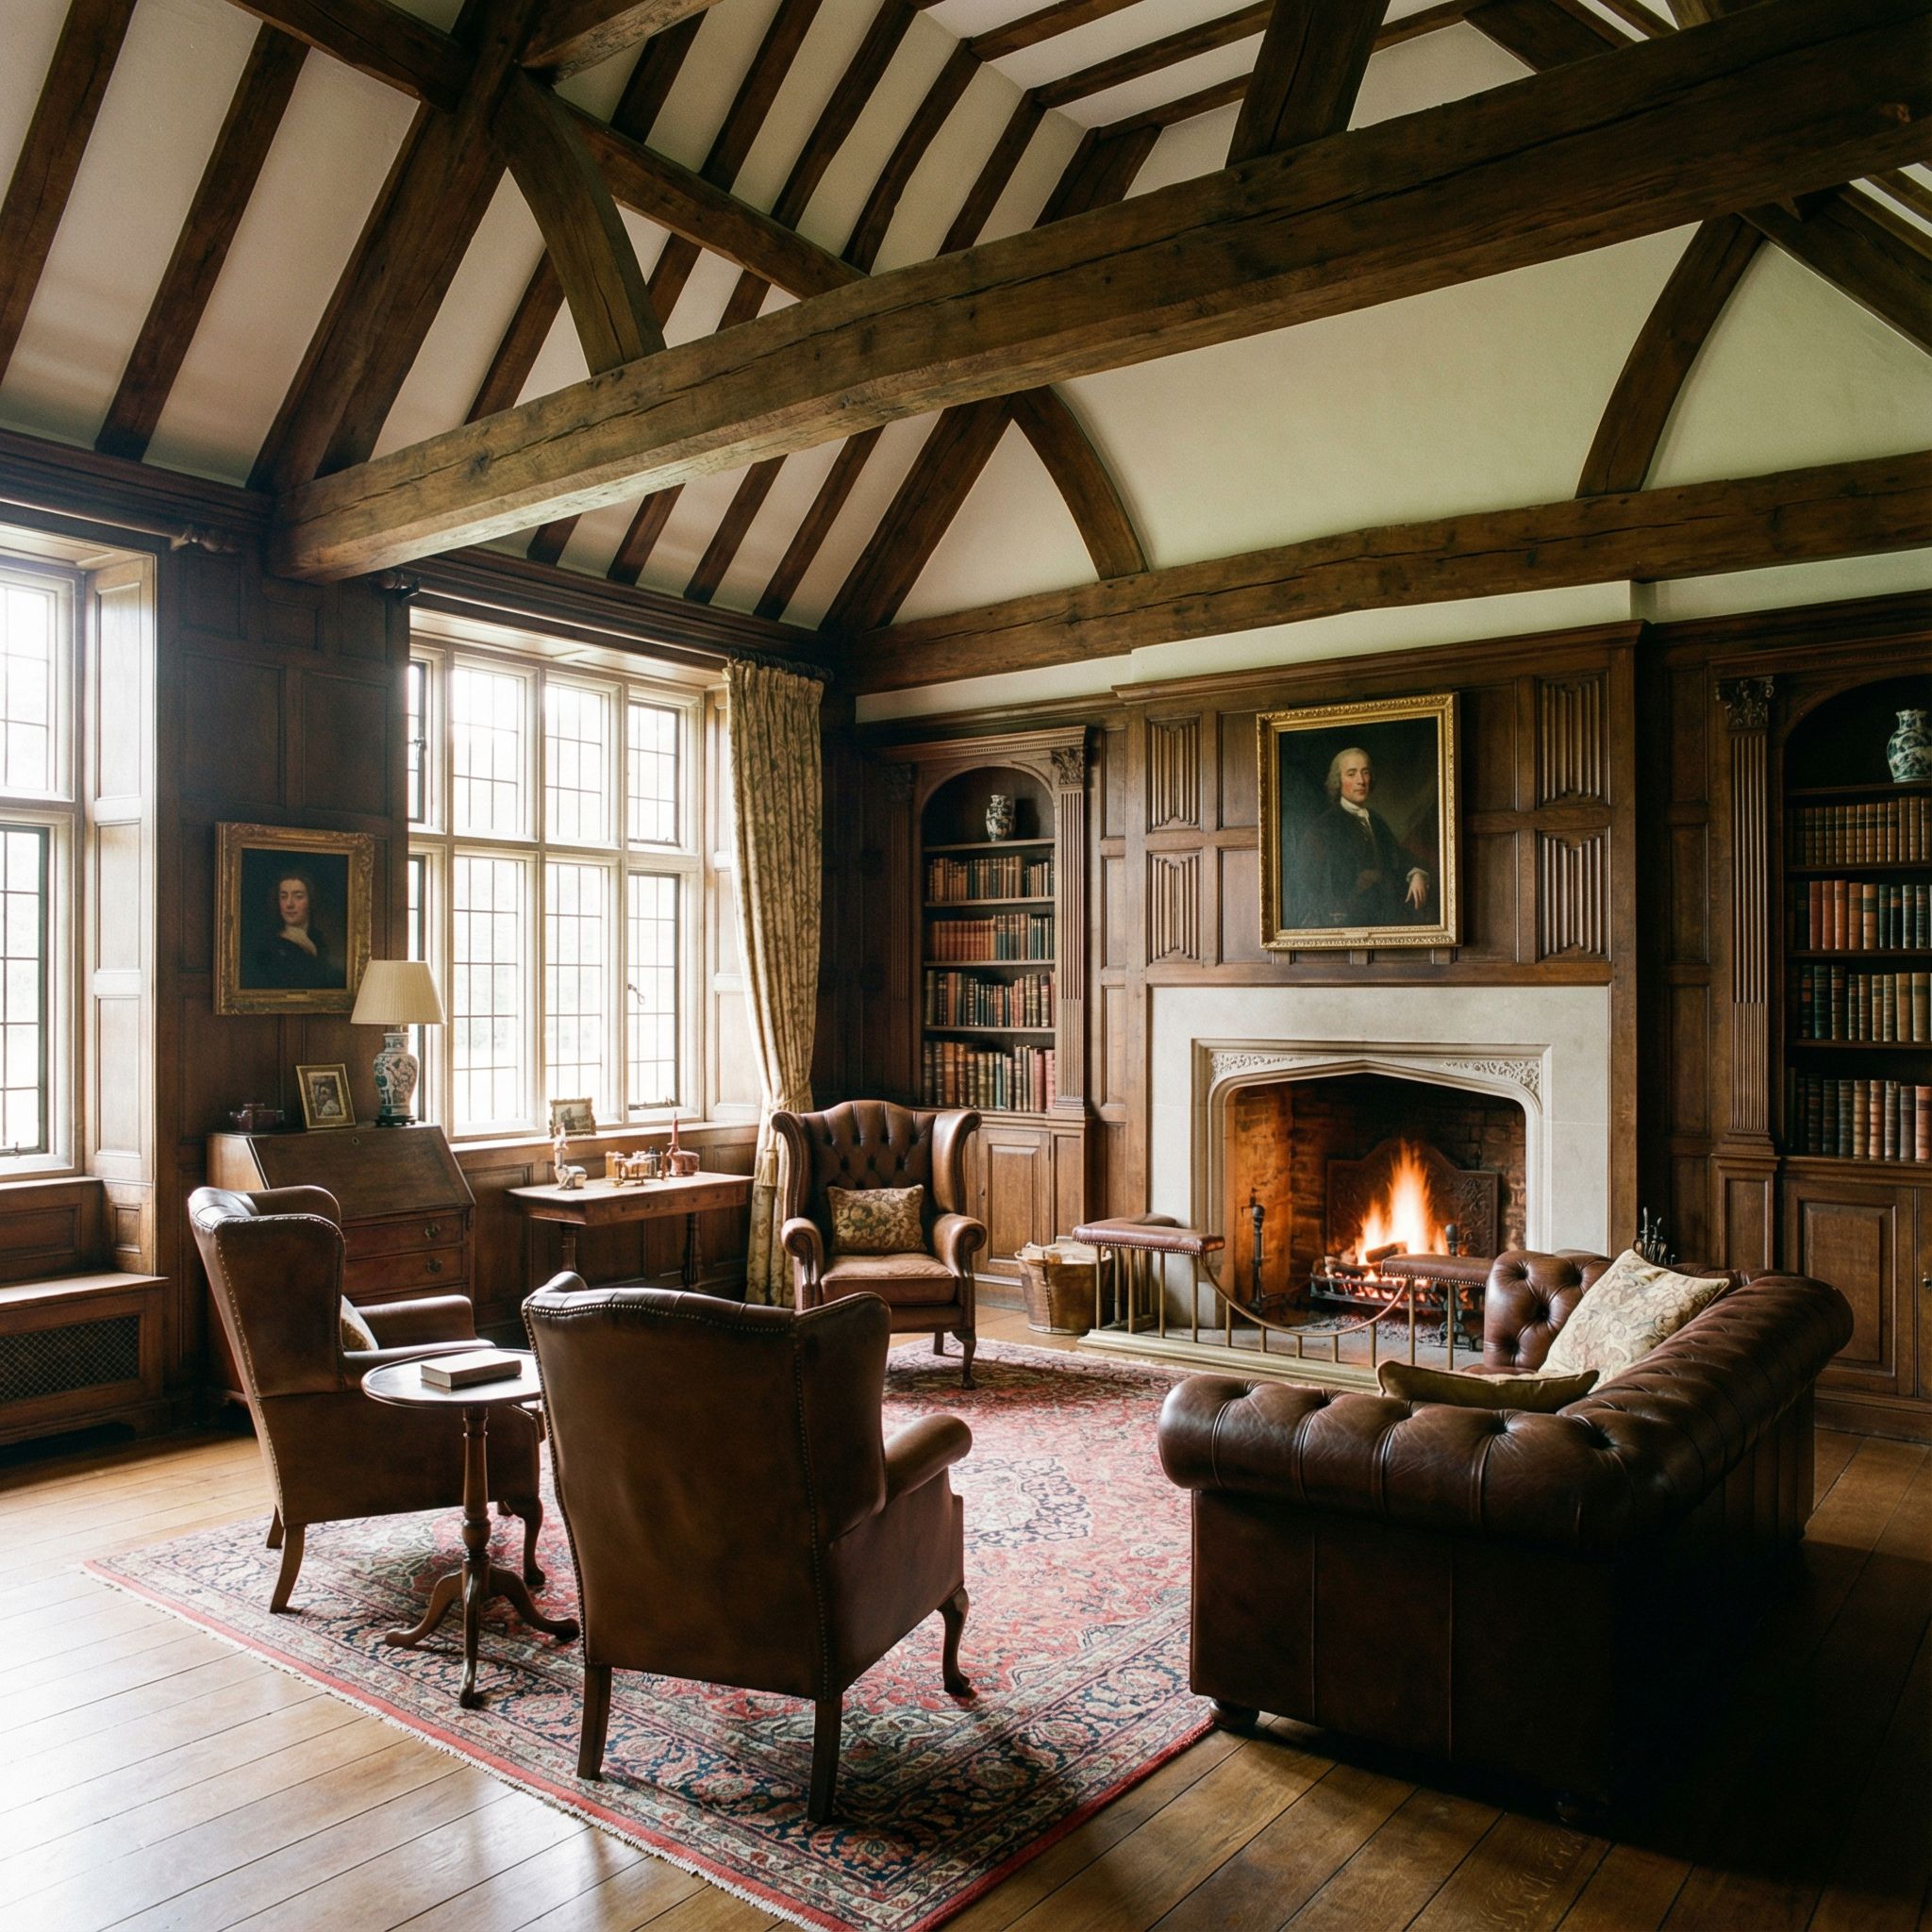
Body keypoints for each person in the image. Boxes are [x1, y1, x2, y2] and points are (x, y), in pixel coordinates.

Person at [1296, 745, 1432, 927]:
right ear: (1338, 780)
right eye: (1351, 774)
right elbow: (1314, 884)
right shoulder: (1324, 827)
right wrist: (1359, 882)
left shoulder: (1375, 820)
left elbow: (1397, 857)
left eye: (1365, 772)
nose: (1361, 780)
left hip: (1382, 916)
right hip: (1345, 921)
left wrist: (1416, 873)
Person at [252, 866, 341, 990]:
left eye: (298, 897)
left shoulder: (319, 940)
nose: (289, 904)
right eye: (283, 897)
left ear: (311, 901)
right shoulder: (269, 943)